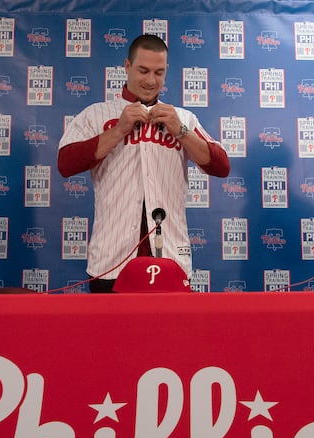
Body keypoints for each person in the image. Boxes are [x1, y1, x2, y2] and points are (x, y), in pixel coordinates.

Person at [57, 34, 230, 293]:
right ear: (127, 66)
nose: (151, 80)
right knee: (113, 334)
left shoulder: (183, 118)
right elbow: (65, 163)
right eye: (143, 70)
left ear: (167, 71)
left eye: (159, 72)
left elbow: (220, 166)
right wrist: (119, 130)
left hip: (171, 258)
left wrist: (181, 131)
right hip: (111, 258)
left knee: (171, 334)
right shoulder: (96, 114)